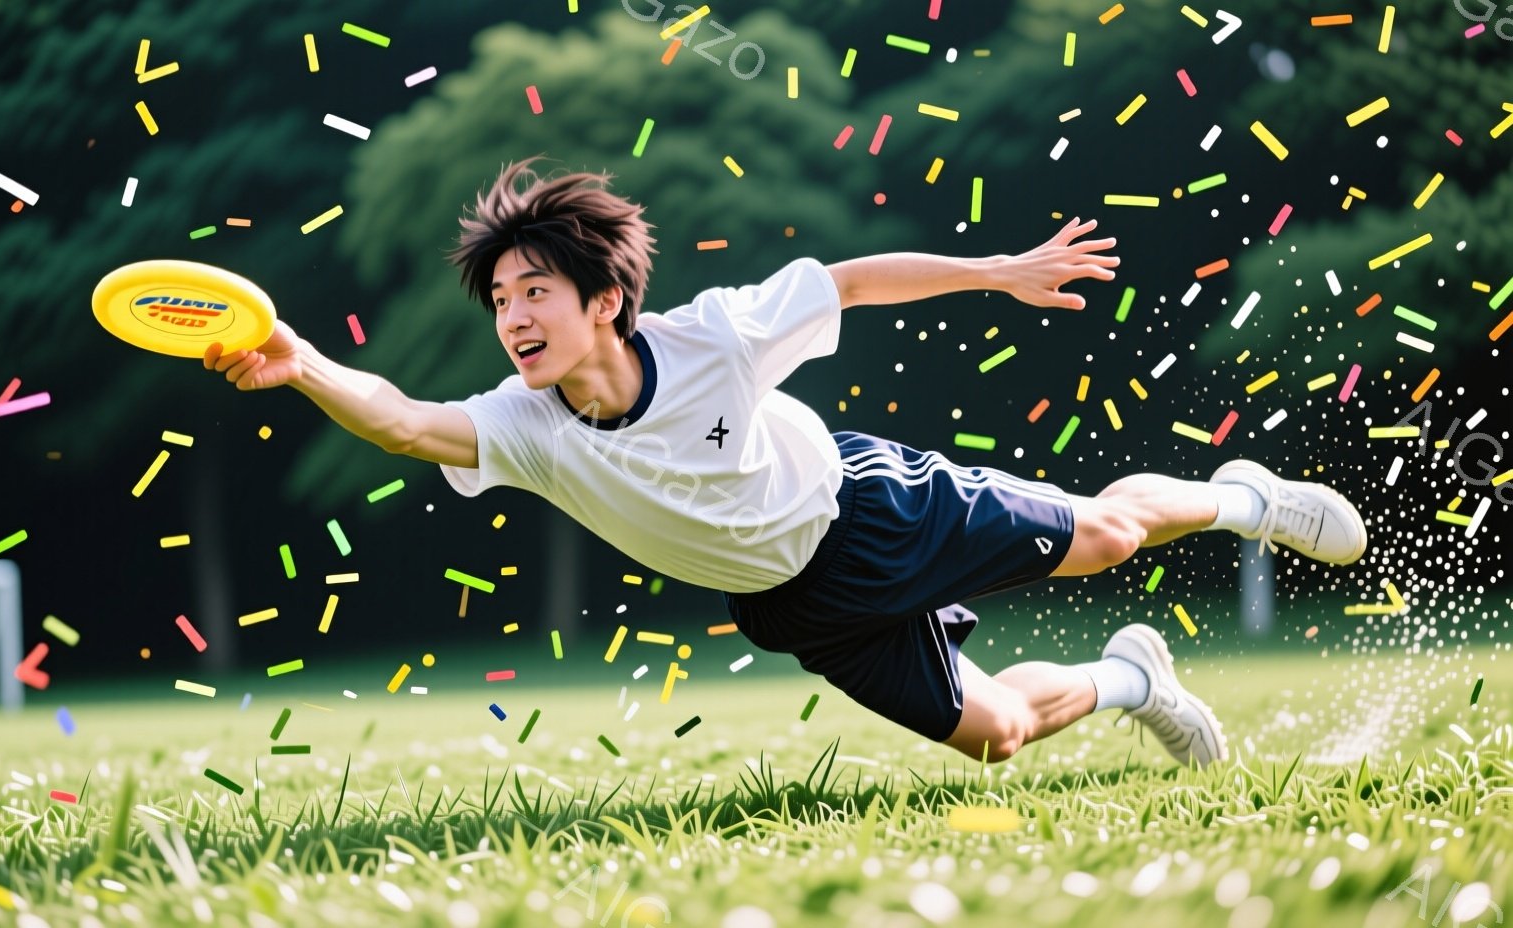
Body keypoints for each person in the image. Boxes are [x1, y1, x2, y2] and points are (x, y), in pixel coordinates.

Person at [204, 157, 1367, 767]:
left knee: (1104, 536)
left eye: (534, 292)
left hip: (864, 508)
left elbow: (849, 281)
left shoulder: (710, 335)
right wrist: (300, 361)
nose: (512, 315)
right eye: (500, 299)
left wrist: (998, 268)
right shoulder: (528, 424)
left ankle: (1236, 497)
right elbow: (406, 420)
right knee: (996, 736)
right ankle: (1134, 681)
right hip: (793, 602)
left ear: (604, 300)